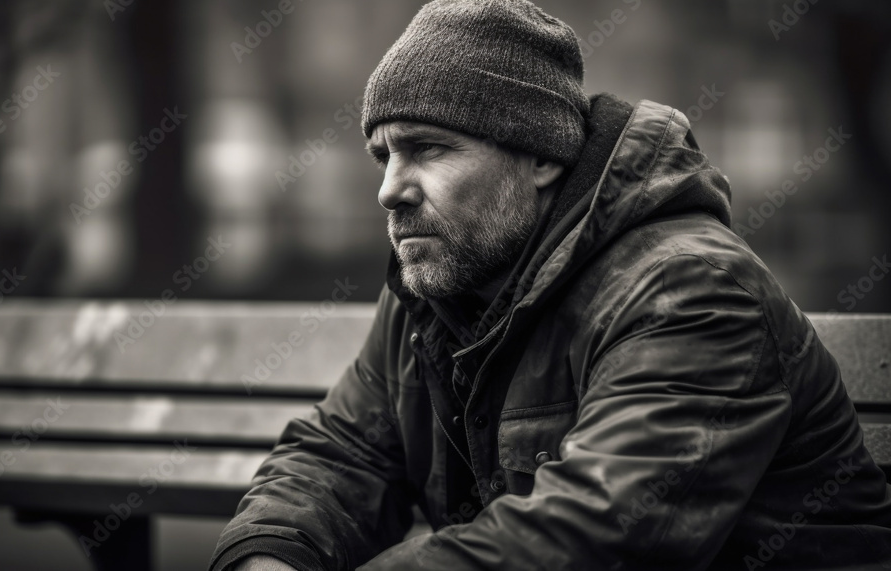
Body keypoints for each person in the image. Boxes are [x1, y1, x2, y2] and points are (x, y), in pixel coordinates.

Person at [210, 1, 891, 569]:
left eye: (428, 148)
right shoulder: (437, 288)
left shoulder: (691, 290)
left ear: (540, 155)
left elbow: (597, 535)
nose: (390, 190)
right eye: (383, 156)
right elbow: (342, 452)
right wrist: (269, 558)